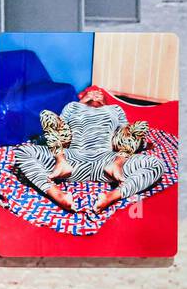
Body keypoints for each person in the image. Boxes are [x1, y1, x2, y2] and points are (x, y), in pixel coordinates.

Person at [13, 86, 164, 214]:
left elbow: (125, 133)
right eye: (90, 93)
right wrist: (79, 104)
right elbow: (58, 129)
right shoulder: (73, 106)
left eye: (100, 94)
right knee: (24, 151)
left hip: (107, 163)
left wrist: (142, 145)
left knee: (155, 163)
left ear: (106, 100)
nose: (95, 94)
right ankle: (57, 194)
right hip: (70, 162)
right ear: (82, 97)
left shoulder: (115, 109)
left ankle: (111, 196)